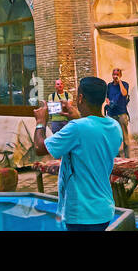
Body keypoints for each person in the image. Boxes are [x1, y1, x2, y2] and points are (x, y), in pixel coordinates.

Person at [32, 76, 123, 230]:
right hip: (105, 209)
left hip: (81, 215)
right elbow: (92, 130)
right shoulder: (114, 126)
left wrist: (41, 121)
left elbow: (39, 148)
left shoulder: (77, 128)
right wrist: (79, 116)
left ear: (80, 98)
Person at [106, 68, 131, 159]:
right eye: (114, 74)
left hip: (121, 113)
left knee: (125, 136)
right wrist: (108, 102)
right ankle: (116, 156)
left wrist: (119, 82)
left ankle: (127, 156)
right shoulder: (109, 86)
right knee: (113, 135)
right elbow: (107, 97)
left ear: (120, 75)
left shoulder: (124, 84)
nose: (115, 76)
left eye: (117, 74)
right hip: (112, 113)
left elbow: (124, 93)